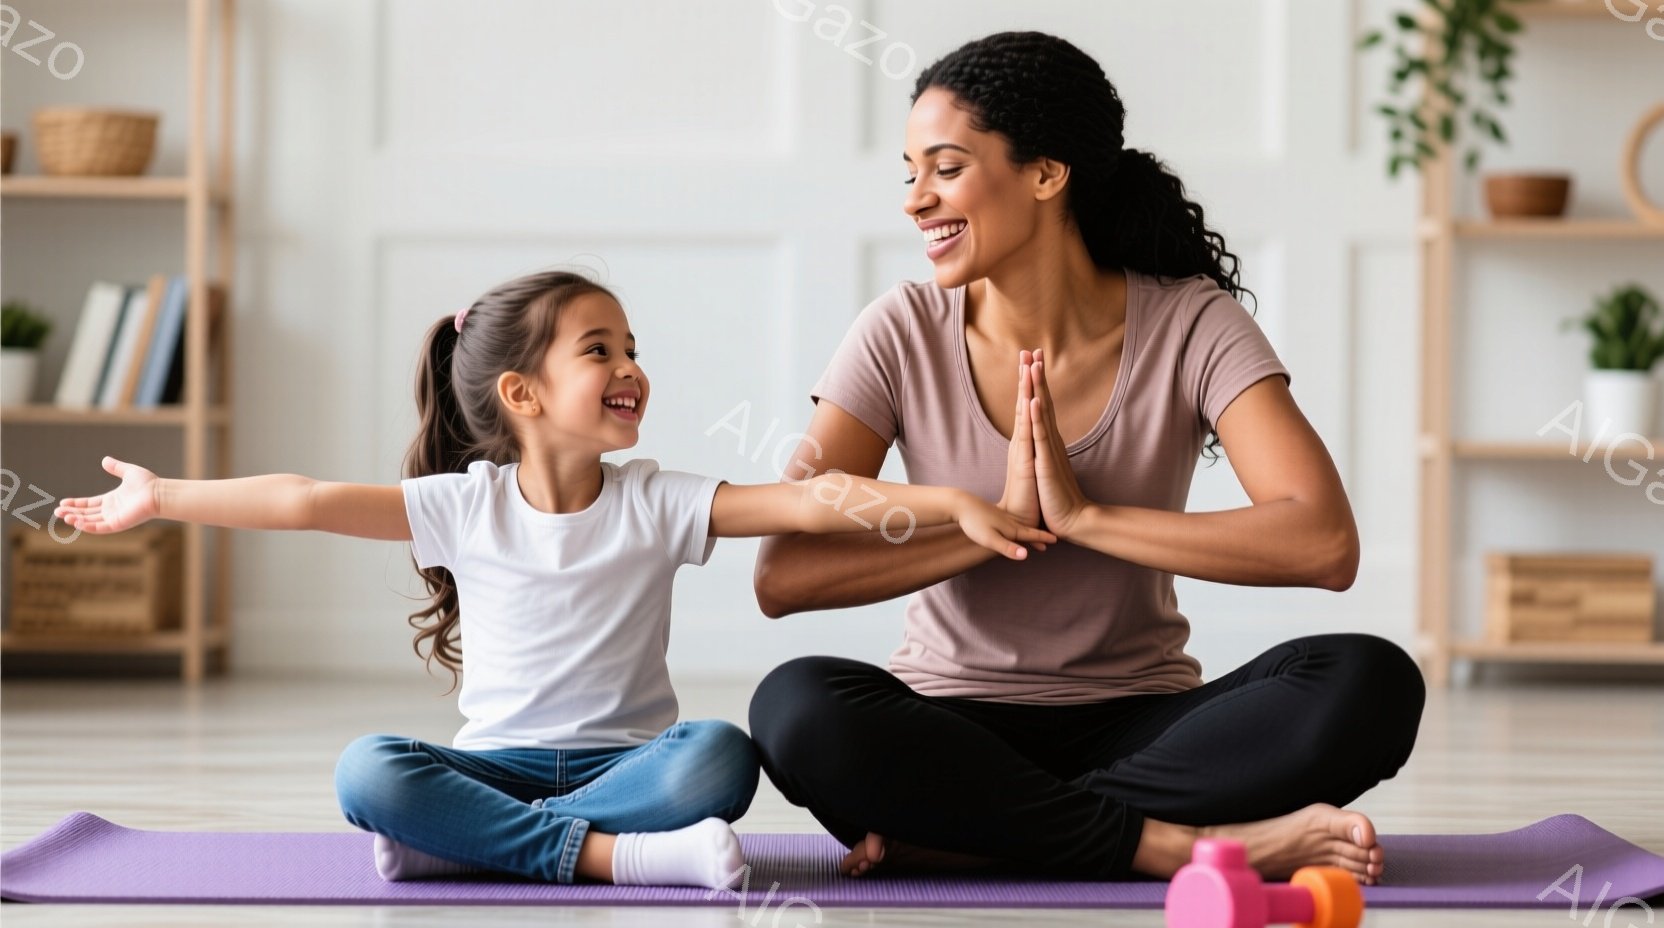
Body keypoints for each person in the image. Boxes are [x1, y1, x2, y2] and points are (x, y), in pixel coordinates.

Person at [54, 269, 1054, 889]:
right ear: (522, 393)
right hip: (497, 762)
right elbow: (306, 497)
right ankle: (608, 860)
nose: (629, 366)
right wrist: (166, 493)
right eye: (599, 351)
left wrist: (952, 504)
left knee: (717, 756)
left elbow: (804, 502)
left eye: (631, 348)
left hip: (631, 764)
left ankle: (470, 848)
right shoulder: (463, 503)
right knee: (368, 768)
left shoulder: (655, 497)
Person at [748, 32, 1426, 886]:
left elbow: (1323, 545)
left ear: (1045, 173)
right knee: (798, 707)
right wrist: (995, 525)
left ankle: (995, 837)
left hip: (1145, 725)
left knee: (1370, 679)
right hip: (949, 730)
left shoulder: (1190, 322)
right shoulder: (899, 329)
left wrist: (1088, 518)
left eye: (946, 169)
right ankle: (1174, 845)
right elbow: (786, 574)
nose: (917, 201)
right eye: (909, 173)